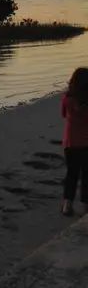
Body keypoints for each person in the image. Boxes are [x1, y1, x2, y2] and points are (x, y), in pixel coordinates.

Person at [61, 67, 88, 216]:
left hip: (71, 143)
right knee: (87, 176)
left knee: (71, 174)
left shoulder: (67, 99)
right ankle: (86, 207)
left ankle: (67, 205)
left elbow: (63, 114)